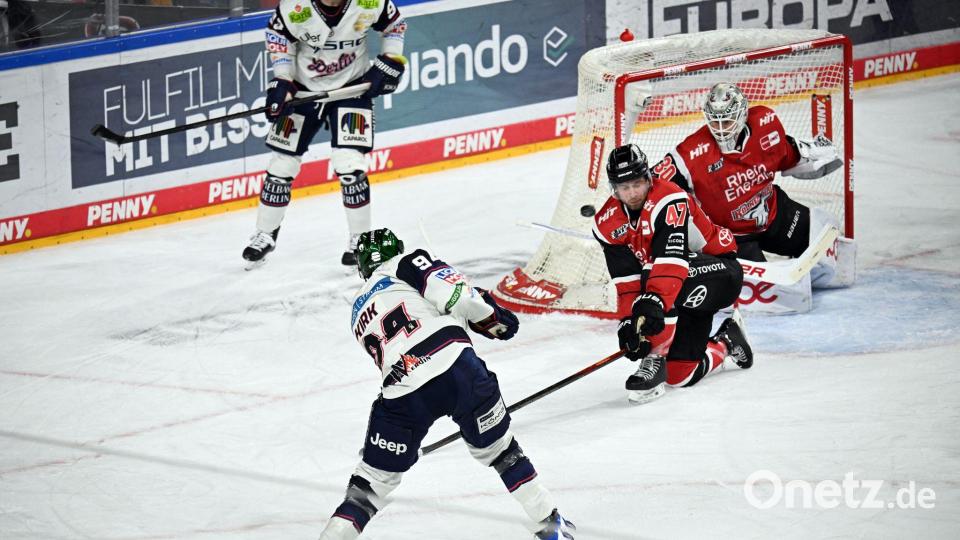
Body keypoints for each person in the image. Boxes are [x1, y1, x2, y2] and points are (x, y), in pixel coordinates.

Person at [318, 228, 576, 539]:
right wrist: (495, 320)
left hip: (402, 393)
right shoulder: (406, 262)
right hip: (458, 372)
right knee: (502, 452)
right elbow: (458, 297)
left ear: (362, 267)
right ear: (397, 249)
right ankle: (551, 527)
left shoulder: (357, 311)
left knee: (369, 485)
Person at [242, 0, 408, 269]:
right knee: (281, 164)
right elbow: (278, 38)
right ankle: (265, 233)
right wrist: (282, 80)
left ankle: (361, 240)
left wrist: (391, 59)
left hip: (352, 90)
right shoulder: (295, 7)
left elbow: (394, 26)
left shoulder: (371, 2)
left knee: (350, 166)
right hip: (303, 93)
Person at [653, 82, 854, 295]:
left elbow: (787, 156)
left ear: (742, 115)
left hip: (775, 214)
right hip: (731, 238)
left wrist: (809, 153)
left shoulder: (765, 123)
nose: (721, 129)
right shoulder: (691, 153)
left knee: (834, 258)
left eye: (728, 121)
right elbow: (654, 185)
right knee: (774, 292)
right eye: (714, 121)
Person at [593, 144, 753, 404]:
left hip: (720, 272)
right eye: (624, 187)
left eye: (637, 183)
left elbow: (671, 261)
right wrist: (629, 322)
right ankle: (726, 341)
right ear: (614, 189)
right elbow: (626, 282)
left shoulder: (669, 198)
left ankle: (654, 359)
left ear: (648, 178)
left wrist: (651, 314)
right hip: (680, 291)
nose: (632, 193)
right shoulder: (607, 223)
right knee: (680, 375)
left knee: (653, 279)